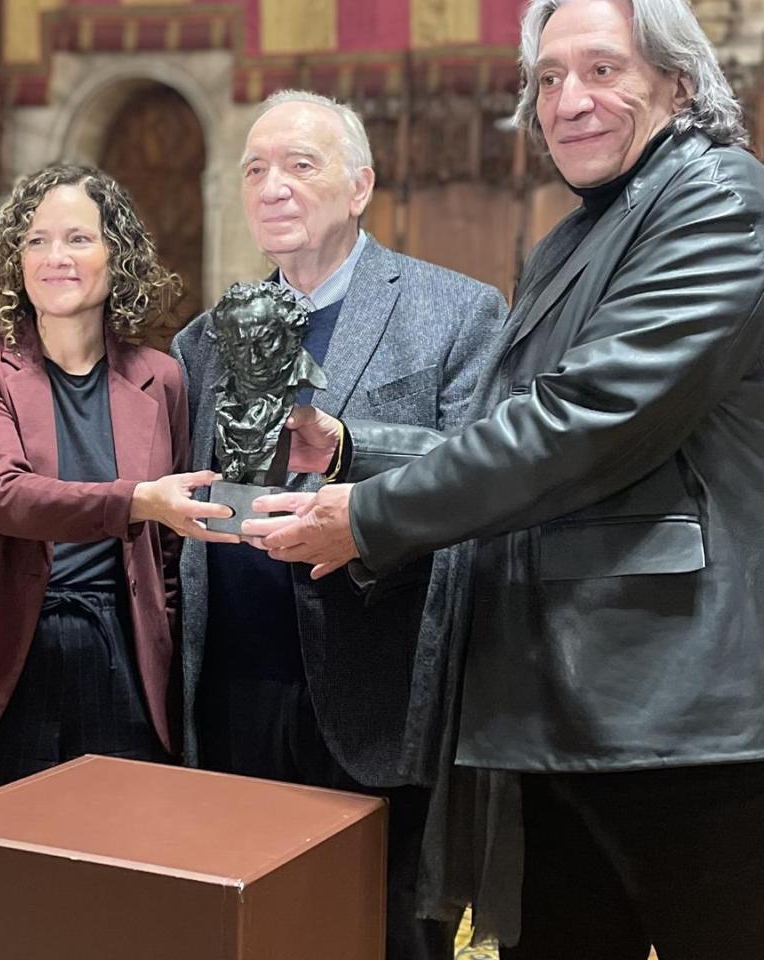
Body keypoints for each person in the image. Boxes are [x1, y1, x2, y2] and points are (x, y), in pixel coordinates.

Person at [246, 2, 764, 957]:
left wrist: (368, 516)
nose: (570, 100)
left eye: (603, 71)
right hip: (571, 707)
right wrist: (355, 451)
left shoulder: (718, 202)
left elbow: (581, 427)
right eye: (550, 78)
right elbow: (508, 427)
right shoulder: (588, 229)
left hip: (702, 715)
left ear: (679, 83)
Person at [169, 90, 505, 960]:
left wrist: (353, 454)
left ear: (359, 187)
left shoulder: (456, 310)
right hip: (234, 684)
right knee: (248, 934)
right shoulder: (203, 339)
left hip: (377, 684)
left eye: (299, 164)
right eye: (254, 169)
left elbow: (481, 470)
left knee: (385, 935)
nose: (272, 185)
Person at [0, 163, 235, 821]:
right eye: (36, 240)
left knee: (112, 885)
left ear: (116, 256)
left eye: (78, 239)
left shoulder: (161, 379)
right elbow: (4, 495)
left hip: (121, 660)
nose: (55, 258)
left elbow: (165, 562)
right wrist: (135, 500)